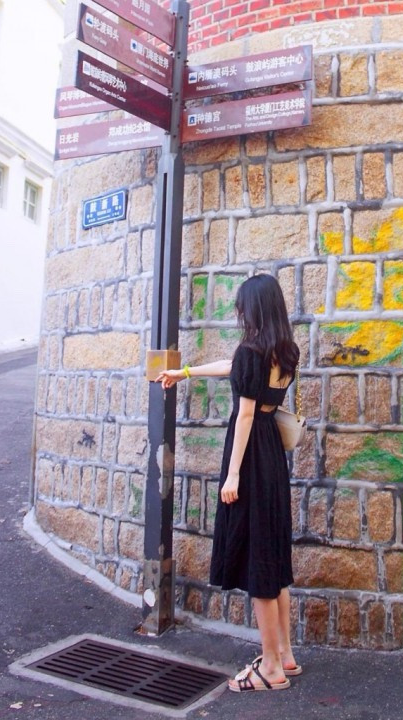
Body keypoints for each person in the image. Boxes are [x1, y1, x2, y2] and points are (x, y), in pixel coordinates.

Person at [156, 274, 301, 692]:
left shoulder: (253, 351)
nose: (239, 311)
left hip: (251, 456)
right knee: (273, 557)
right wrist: (185, 372)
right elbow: (233, 367)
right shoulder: (283, 351)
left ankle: (270, 669)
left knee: (258, 562)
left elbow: (246, 413)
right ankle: (285, 655)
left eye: (242, 306)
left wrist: (233, 473)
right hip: (272, 455)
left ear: (253, 308)